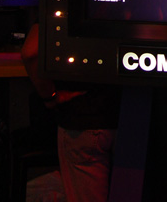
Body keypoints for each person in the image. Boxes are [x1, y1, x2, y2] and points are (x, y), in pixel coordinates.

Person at [21, 25, 121, 202]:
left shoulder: (64, 7)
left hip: (82, 118)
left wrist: (50, 97)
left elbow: (31, 53)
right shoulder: (135, 7)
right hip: (133, 113)